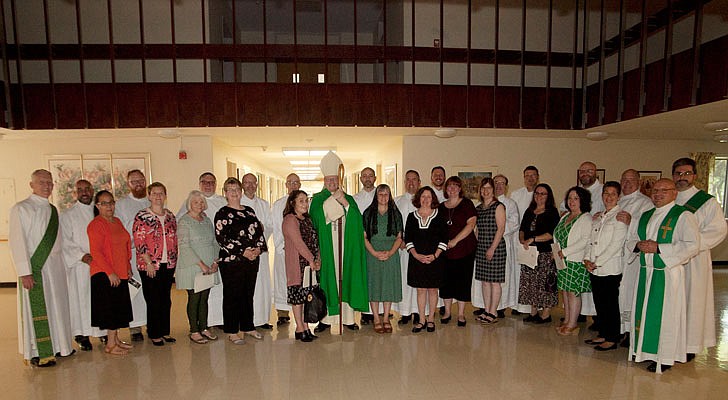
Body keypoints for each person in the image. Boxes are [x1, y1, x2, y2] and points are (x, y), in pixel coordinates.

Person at [627, 178, 700, 373]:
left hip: (667, 274)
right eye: (655, 191)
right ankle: (643, 350)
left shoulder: (683, 216)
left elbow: (692, 244)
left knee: (665, 315)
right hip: (645, 273)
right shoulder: (646, 215)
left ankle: (665, 356)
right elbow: (632, 237)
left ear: (674, 193)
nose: (658, 194)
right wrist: (637, 245)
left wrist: (659, 247)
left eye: (663, 190)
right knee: (642, 312)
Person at [9, 169, 74, 367]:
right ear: (32, 185)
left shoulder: (53, 210)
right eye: (41, 182)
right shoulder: (21, 208)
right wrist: (25, 272)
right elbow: (17, 242)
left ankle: (61, 346)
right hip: (36, 267)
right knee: (39, 310)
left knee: (58, 308)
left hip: (55, 267)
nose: (46, 186)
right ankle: (38, 351)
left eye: (49, 182)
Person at [672, 157, 727, 360]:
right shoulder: (668, 198)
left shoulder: (707, 202)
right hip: (668, 258)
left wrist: (689, 246)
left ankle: (688, 345)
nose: (682, 177)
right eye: (678, 173)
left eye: (686, 173)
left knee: (691, 300)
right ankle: (671, 340)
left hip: (694, 261)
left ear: (695, 175)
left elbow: (718, 230)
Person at [309, 151, 368, 333]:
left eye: (334, 180)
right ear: (324, 181)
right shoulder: (317, 200)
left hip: (345, 248)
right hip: (327, 249)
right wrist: (332, 202)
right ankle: (326, 320)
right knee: (328, 281)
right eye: (328, 181)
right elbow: (316, 219)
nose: (332, 183)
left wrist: (346, 205)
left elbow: (357, 221)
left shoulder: (348, 198)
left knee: (347, 278)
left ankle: (348, 319)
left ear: (338, 180)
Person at [215, 177, 268, 344]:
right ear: (225, 193)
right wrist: (243, 251)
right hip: (232, 262)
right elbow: (222, 238)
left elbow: (259, 232)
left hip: (251, 261)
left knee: (247, 294)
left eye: (237, 189)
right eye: (230, 190)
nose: (234, 193)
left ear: (241, 191)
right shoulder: (222, 213)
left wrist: (258, 249)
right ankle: (231, 330)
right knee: (232, 296)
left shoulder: (249, 211)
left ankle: (248, 326)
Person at [176, 172, 227, 330]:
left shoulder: (206, 220)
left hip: (210, 264)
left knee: (204, 298)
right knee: (194, 298)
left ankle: (204, 328)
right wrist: (202, 265)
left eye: (200, 202)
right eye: (195, 202)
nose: (198, 204)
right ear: (189, 203)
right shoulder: (184, 220)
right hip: (193, 265)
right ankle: (194, 330)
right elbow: (184, 245)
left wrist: (214, 262)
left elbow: (214, 241)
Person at [87, 190, 134, 356]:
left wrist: (127, 265)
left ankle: (116, 339)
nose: (109, 206)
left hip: (120, 271)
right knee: (111, 310)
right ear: (98, 206)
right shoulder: (96, 225)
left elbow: (125, 245)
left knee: (119, 308)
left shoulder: (117, 221)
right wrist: (110, 272)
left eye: (111, 202)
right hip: (104, 273)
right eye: (105, 203)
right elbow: (96, 252)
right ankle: (110, 344)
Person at [60, 179, 105, 351]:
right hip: (81, 266)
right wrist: (82, 256)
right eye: (80, 190)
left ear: (93, 190)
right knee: (81, 300)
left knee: (99, 299)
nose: (84, 192)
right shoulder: (68, 215)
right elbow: (65, 241)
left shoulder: (99, 212)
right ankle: (81, 334)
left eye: (87, 189)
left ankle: (101, 332)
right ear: (75, 193)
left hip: (100, 264)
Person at [132, 182, 178, 346]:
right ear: (149, 196)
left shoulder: (170, 216)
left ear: (165, 196)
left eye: (161, 193)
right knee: (153, 299)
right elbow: (139, 242)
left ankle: (164, 331)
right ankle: (154, 333)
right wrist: (149, 263)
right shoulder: (142, 216)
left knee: (166, 299)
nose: (158, 197)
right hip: (150, 265)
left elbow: (174, 239)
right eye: (155, 193)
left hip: (168, 263)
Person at [583, 182, 627, 351]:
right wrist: (587, 259)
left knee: (610, 304)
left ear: (618, 197)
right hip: (594, 268)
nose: (608, 197)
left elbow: (616, 245)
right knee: (599, 303)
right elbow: (591, 240)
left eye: (612, 194)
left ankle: (612, 337)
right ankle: (603, 333)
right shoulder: (600, 216)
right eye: (606, 193)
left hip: (609, 268)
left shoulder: (620, 217)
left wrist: (597, 262)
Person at [616, 169, 653, 345]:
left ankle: (630, 331)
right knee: (616, 294)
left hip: (632, 258)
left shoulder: (646, 203)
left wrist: (631, 222)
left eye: (631, 180)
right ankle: (617, 328)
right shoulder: (617, 200)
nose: (627, 183)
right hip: (615, 255)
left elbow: (648, 228)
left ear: (639, 182)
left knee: (629, 293)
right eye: (624, 180)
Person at [405, 186, 448, 333]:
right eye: (423, 196)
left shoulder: (439, 216)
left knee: (432, 290)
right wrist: (416, 255)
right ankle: (421, 319)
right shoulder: (411, 217)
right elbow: (408, 239)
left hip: (435, 260)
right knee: (420, 290)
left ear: (433, 199)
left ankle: (431, 319)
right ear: (418, 198)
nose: (425, 199)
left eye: (428, 197)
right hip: (417, 259)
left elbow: (444, 239)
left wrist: (435, 255)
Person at [363, 184, 403, 333]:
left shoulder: (395, 213)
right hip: (372, 254)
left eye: (386, 194)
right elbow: (364, 237)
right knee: (374, 285)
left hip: (391, 254)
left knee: (388, 286)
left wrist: (390, 252)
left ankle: (386, 318)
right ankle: (376, 318)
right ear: (376, 196)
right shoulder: (368, 213)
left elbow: (400, 237)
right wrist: (374, 253)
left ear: (390, 196)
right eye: (380, 194)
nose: (383, 197)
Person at [114, 169, 150, 341]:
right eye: (134, 181)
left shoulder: (152, 200)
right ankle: (135, 328)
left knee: (151, 292)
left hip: (152, 256)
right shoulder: (121, 205)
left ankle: (153, 323)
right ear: (128, 184)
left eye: (141, 180)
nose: (138, 184)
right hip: (132, 253)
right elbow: (119, 231)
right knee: (134, 291)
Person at [282, 189, 321, 342]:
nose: (305, 204)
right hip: (298, 265)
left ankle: (305, 327)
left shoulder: (307, 219)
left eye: (306, 200)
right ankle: (299, 328)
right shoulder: (290, 220)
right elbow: (298, 243)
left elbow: (314, 240)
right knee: (298, 298)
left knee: (307, 298)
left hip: (309, 266)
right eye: (301, 201)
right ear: (293, 203)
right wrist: (311, 260)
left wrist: (318, 259)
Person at [519, 183, 560, 324]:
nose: (539, 196)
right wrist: (522, 239)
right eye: (537, 193)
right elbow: (522, 228)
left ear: (548, 196)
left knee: (545, 285)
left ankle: (546, 314)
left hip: (545, 254)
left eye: (543, 193)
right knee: (531, 283)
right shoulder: (529, 211)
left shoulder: (552, 212)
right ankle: (533, 312)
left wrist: (533, 239)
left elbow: (551, 234)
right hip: (529, 253)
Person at [554, 186, 592, 335]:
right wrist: (557, 252)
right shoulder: (565, 216)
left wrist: (564, 252)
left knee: (573, 293)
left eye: (576, 198)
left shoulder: (586, 218)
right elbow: (557, 234)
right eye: (570, 198)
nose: (572, 201)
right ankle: (567, 320)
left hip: (575, 261)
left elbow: (585, 240)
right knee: (564, 291)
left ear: (583, 200)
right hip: (562, 260)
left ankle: (573, 323)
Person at [439, 176, 477, 327]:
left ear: (460, 188)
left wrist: (455, 241)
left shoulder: (467, 204)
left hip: (464, 249)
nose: (452, 189)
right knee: (446, 282)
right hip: (445, 251)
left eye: (455, 186)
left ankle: (461, 314)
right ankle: (447, 312)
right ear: (445, 189)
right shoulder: (441, 207)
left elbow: (471, 224)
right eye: (449, 186)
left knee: (462, 282)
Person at [240, 173, 274, 330]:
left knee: (263, 285)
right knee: (247, 286)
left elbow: (269, 226)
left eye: (253, 183)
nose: (250, 186)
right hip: (244, 253)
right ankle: (247, 320)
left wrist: (259, 245)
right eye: (247, 183)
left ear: (257, 185)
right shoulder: (237, 203)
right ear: (242, 184)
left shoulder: (264, 204)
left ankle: (262, 319)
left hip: (261, 250)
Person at [473, 178, 507, 324]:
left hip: (496, 247)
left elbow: (501, 228)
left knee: (494, 282)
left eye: (488, 188)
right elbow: (476, 229)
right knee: (485, 282)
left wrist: (492, 248)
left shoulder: (498, 206)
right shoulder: (478, 208)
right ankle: (486, 310)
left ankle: (493, 312)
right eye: (483, 188)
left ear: (493, 190)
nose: (485, 191)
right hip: (481, 247)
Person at [271, 173, 301, 327]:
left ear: (300, 184)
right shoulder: (278, 205)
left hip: (300, 250)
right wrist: (282, 246)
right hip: (283, 249)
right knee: (282, 280)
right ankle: (282, 313)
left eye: (296, 182)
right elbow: (276, 227)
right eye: (290, 182)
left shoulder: (303, 202)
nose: (293, 185)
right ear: (286, 185)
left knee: (299, 282)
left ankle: (301, 313)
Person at [394, 170, 422, 325]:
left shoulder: (425, 200)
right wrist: (400, 240)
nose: (411, 183)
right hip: (403, 247)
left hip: (420, 248)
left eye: (414, 180)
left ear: (419, 182)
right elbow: (394, 224)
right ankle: (405, 313)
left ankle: (419, 312)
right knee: (404, 279)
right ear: (405, 183)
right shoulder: (397, 201)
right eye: (408, 180)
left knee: (418, 280)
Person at [353, 167, 377, 326]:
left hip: (380, 241)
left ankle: (380, 311)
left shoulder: (382, 194)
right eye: (364, 176)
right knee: (365, 277)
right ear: (360, 179)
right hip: (362, 242)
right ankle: (366, 312)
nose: (367, 178)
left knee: (378, 277)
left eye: (370, 176)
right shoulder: (355, 199)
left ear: (375, 178)